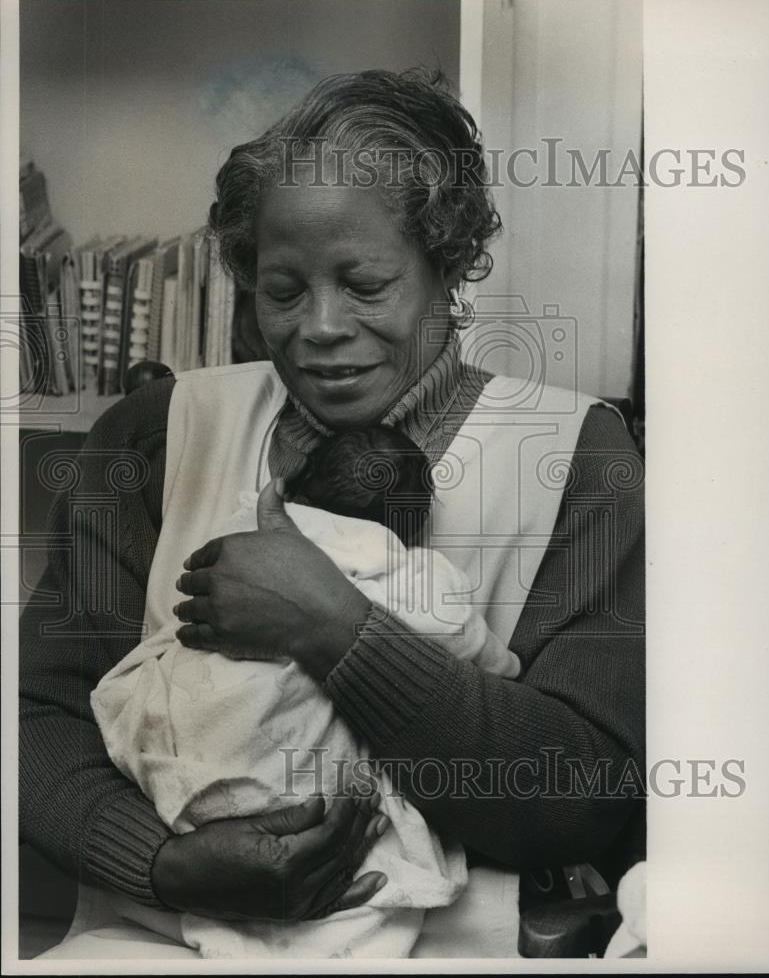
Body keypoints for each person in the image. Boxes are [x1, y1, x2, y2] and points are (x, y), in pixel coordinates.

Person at [19, 68, 645, 960]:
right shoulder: (154, 437)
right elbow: (33, 715)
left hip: (456, 947)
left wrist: (339, 631)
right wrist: (163, 860)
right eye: (282, 290)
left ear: (452, 261)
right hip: (163, 939)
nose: (318, 326)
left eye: (365, 284)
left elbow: (585, 797)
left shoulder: (577, 458)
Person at [89, 431, 519, 958]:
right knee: (370, 851)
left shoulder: (246, 525)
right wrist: (506, 664)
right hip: (290, 787)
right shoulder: (410, 570)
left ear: (294, 485)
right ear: (414, 522)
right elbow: (461, 633)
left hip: (184, 755)